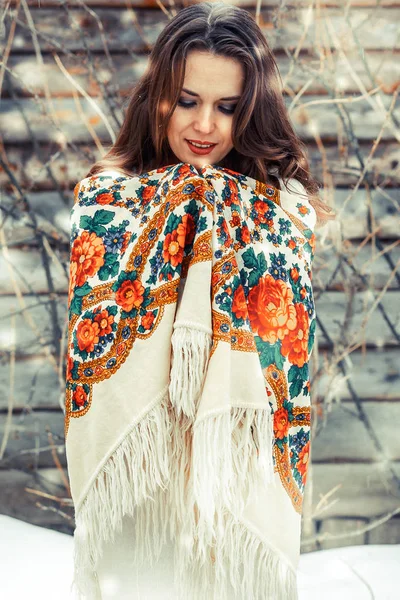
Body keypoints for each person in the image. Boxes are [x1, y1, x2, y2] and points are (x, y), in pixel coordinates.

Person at [65, 3, 336, 599]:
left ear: (252, 111)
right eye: (186, 101)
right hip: (141, 476)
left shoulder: (282, 213)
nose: (204, 126)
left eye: (227, 107)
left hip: (233, 479)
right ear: (158, 95)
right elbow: (93, 345)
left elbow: (283, 361)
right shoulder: (105, 201)